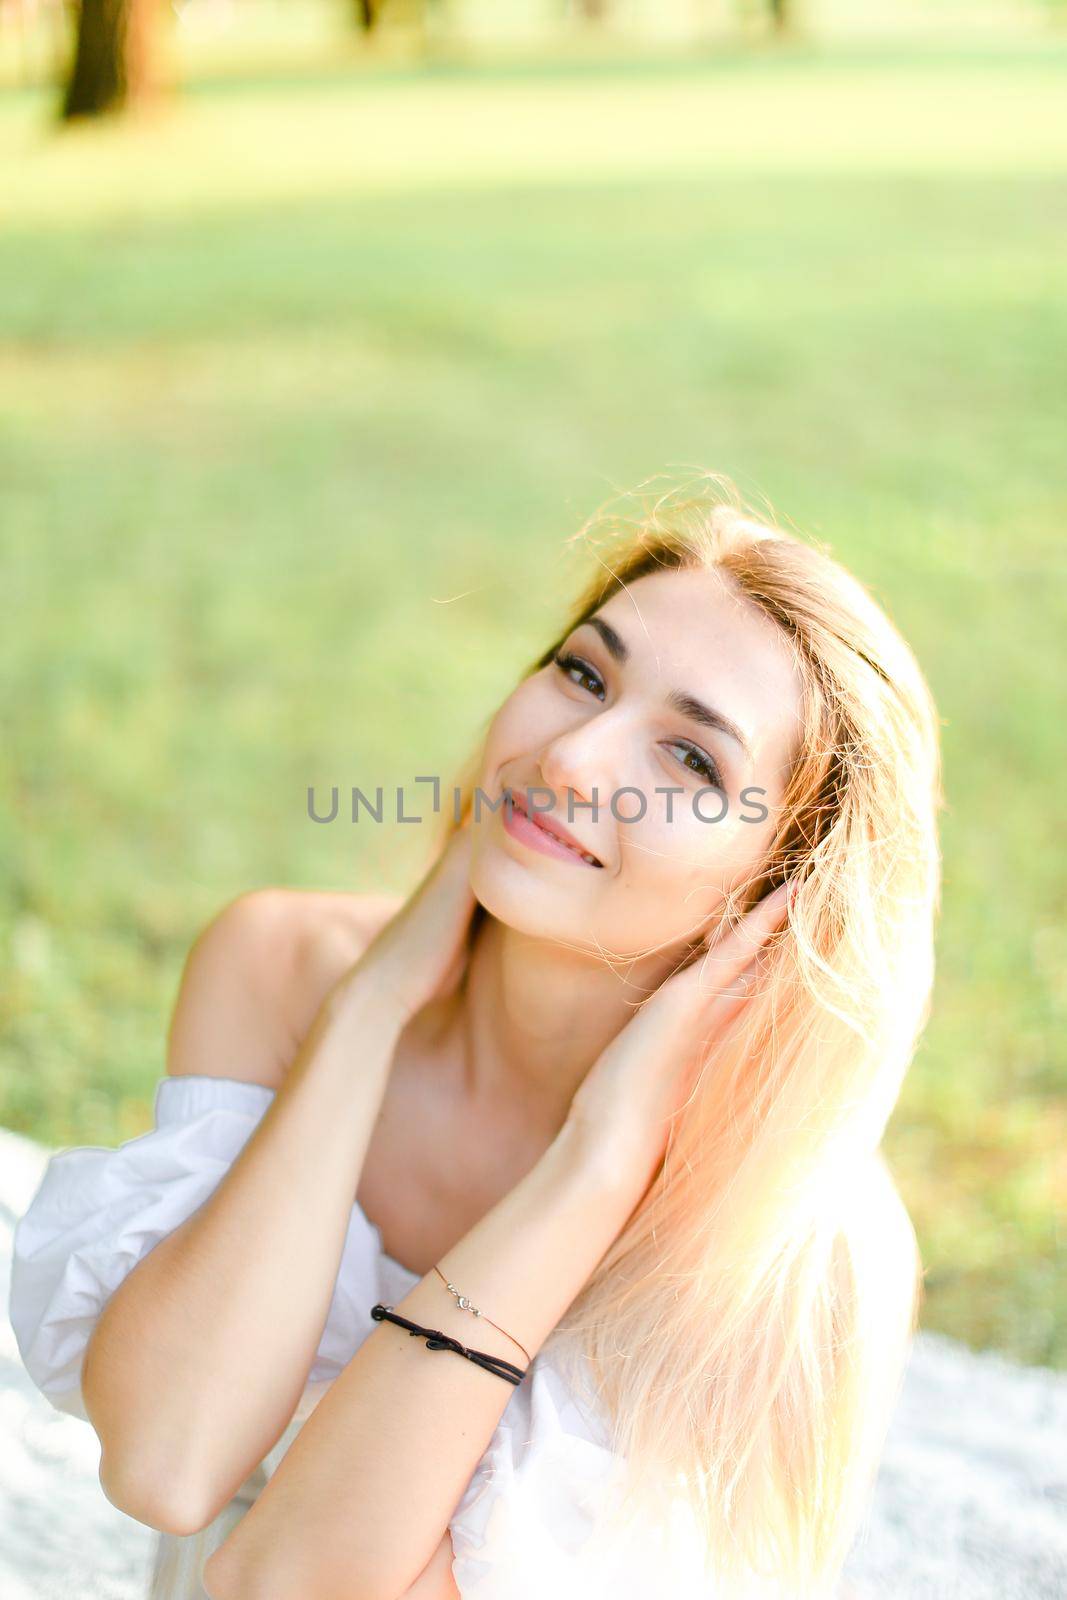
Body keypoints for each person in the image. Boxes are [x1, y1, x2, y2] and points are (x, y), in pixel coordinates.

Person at [10, 473, 943, 1600]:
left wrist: (593, 1170)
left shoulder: (794, 1246)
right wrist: (369, 1009)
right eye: (582, 672)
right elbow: (167, 1460)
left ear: (778, 894)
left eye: (690, 758)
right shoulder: (288, 972)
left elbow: (287, 1585)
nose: (573, 758)